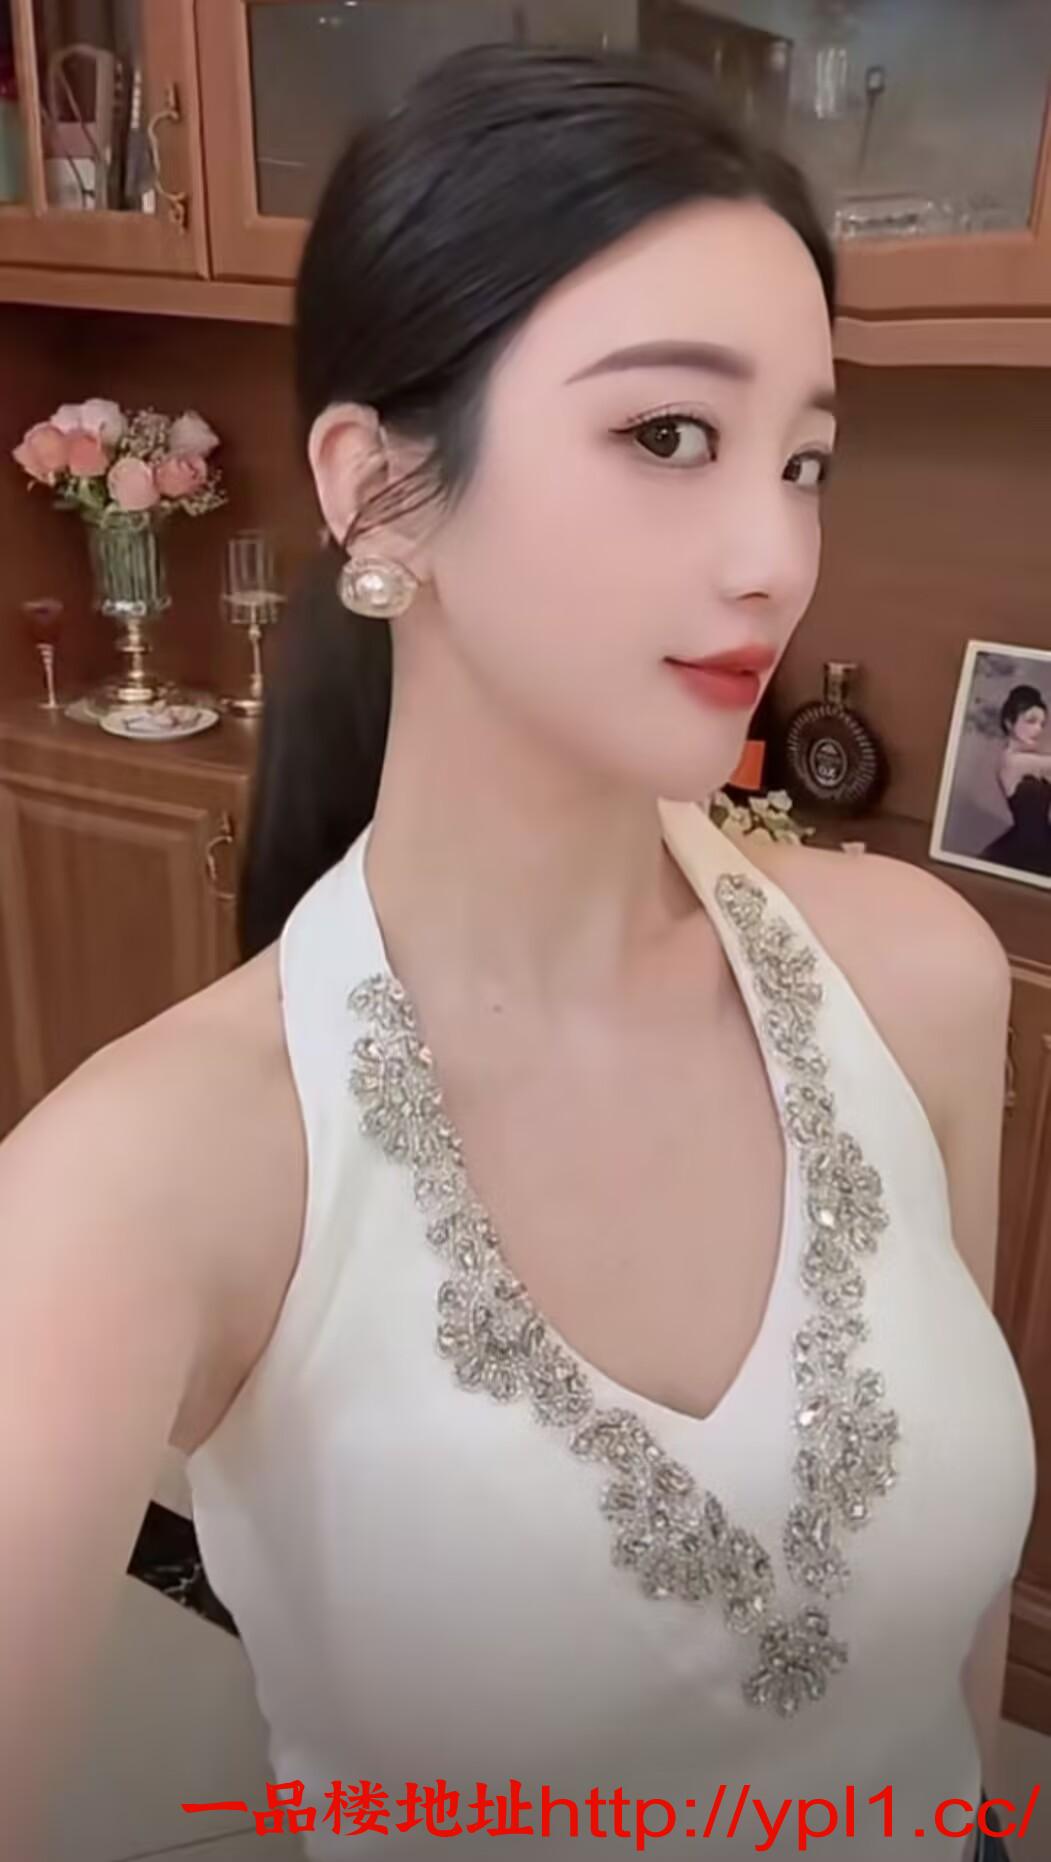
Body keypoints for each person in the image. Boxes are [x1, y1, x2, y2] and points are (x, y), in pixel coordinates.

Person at [1, 45, 1037, 1862]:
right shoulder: (151, 1174)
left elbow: (938, 1681)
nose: (771, 555)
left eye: (804, 458)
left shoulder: (919, 980)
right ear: (376, 487)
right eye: (667, 435)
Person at [981, 683, 1051, 878]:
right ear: (1009, 723)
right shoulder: (1012, 762)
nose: (1038, 729)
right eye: (1031, 721)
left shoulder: (1030, 761)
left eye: (1042, 724)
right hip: (1026, 849)